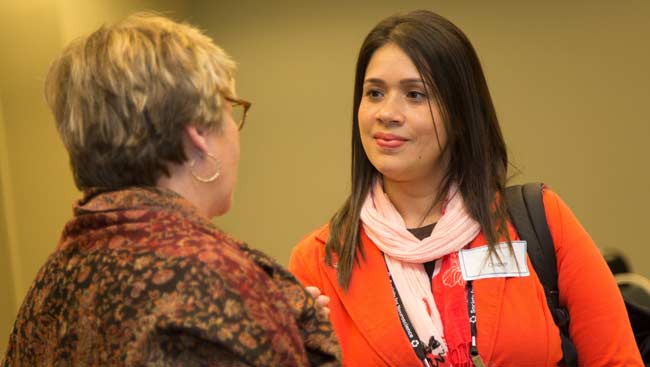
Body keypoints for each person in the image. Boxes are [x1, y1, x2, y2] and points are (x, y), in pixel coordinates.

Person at [289, 9, 642, 367]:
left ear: (459, 115)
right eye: (374, 93)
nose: (387, 113)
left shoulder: (541, 220)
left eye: (415, 94)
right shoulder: (319, 261)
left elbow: (617, 360)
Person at [2, 13, 340, 366]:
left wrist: (277, 326)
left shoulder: (48, 288)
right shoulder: (214, 285)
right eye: (231, 110)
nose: (236, 132)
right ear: (198, 136)